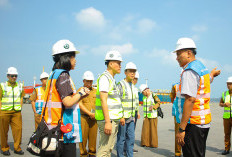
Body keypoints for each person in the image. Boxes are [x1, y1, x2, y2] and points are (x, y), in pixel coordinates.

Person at [41, 39, 90, 157]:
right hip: (63, 130)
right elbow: (67, 102)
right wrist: (81, 93)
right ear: (65, 58)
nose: (75, 60)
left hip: (51, 127)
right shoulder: (63, 75)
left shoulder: (53, 74)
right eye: (73, 57)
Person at [173, 37, 221, 157]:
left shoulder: (189, 71)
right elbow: (204, 84)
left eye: (179, 54)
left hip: (192, 124)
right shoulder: (200, 67)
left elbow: (190, 99)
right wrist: (212, 75)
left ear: (189, 53)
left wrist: (182, 129)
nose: (177, 58)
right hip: (203, 122)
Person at [95, 50, 124, 157]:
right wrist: (107, 122)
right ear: (110, 63)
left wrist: (120, 117)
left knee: (108, 149)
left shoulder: (111, 79)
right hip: (107, 120)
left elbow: (114, 101)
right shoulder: (104, 78)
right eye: (118, 63)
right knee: (104, 150)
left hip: (113, 120)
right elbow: (103, 100)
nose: (120, 66)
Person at [0, 67, 25, 156]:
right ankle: (4, 148)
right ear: (7, 76)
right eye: (12, 76)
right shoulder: (2, 85)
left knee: (18, 130)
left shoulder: (20, 86)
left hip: (16, 112)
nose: (14, 77)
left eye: (15, 76)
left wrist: (20, 107)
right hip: (4, 111)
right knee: (3, 131)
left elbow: (22, 97)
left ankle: (17, 148)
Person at [116, 62, 139, 157]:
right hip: (123, 118)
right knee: (121, 139)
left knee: (131, 139)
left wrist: (136, 114)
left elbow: (134, 102)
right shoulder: (120, 85)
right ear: (125, 72)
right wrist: (121, 116)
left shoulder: (134, 87)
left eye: (134, 71)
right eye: (130, 71)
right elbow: (117, 102)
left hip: (131, 118)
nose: (132, 73)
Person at [78, 71, 97, 157]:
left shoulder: (96, 91)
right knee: (83, 137)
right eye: (87, 81)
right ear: (83, 81)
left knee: (93, 137)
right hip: (84, 118)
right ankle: (83, 154)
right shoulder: (80, 91)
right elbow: (79, 104)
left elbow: (100, 103)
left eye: (91, 81)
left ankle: (92, 153)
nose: (89, 83)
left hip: (94, 118)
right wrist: (89, 113)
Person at [219, 77, 232, 155]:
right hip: (226, 118)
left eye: (230, 84)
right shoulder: (224, 94)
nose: (228, 85)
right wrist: (224, 104)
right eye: (227, 84)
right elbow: (220, 104)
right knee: (227, 134)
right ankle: (226, 149)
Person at [170, 83, 182, 157]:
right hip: (178, 113)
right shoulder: (175, 86)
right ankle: (178, 153)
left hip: (187, 113)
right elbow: (172, 98)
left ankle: (180, 152)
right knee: (178, 133)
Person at [131, 71, 140, 153]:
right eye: (135, 79)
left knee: (132, 131)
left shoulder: (135, 89)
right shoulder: (129, 87)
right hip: (129, 112)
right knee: (128, 132)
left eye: (136, 79)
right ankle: (126, 148)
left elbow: (136, 102)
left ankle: (130, 147)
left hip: (135, 112)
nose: (136, 81)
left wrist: (138, 112)